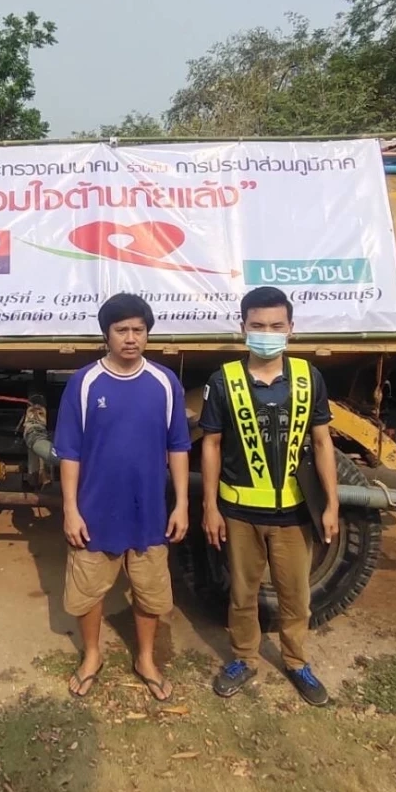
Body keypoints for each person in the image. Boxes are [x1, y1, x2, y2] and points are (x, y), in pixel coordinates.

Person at [198, 286, 339, 705]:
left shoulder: (307, 377)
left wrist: (331, 504)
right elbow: (210, 445)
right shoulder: (223, 381)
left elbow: (322, 442)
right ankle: (244, 657)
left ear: (291, 329)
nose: (267, 332)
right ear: (243, 327)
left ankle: (296, 662)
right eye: (258, 325)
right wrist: (210, 506)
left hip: (295, 514)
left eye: (276, 325)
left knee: (296, 596)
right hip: (240, 512)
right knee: (242, 594)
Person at [53, 292, 192, 702]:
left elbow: (179, 446)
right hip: (95, 512)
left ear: (147, 334)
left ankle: (146, 658)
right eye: (121, 330)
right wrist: (70, 509)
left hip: (149, 513)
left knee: (151, 593)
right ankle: (92, 655)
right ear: (106, 335)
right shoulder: (84, 383)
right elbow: (70, 452)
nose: (131, 338)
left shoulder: (165, 383)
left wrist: (181, 503)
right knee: (87, 592)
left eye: (138, 330)